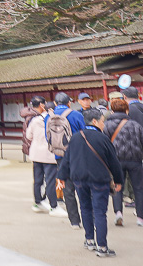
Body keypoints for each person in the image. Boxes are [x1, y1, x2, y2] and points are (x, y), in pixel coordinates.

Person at [57, 108, 123, 257]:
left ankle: (89, 240)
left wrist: (61, 176)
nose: (103, 124)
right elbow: (114, 162)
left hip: (79, 179)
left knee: (85, 208)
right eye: (102, 121)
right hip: (99, 180)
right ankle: (102, 246)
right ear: (95, 121)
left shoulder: (75, 137)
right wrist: (118, 180)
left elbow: (67, 159)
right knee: (99, 212)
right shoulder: (103, 138)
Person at [103, 97, 143, 227]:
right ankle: (140, 217)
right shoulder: (136, 125)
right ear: (127, 110)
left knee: (117, 186)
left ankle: (118, 213)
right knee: (139, 188)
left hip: (116, 161)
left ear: (112, 110)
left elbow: (104, 144)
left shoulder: (107, 125)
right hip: (135, 160)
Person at [52, 92, 86, 228]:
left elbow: (48, 137)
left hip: (59, 155)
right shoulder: (76, 115)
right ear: (69, 103)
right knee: (83, 187)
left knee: (67, 188)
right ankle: (89, 219)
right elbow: (84, 133)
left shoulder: (49, 116)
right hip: (77, 155)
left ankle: (74, 221)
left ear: (55, 103)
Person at [25, 96, 62, 216]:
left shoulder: (35, 120)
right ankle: (53, 205)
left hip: (36, 154)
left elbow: (28, 136)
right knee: (50, 181)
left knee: (37, 180)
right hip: (49, 155)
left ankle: (38, 202)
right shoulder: (54, 120)